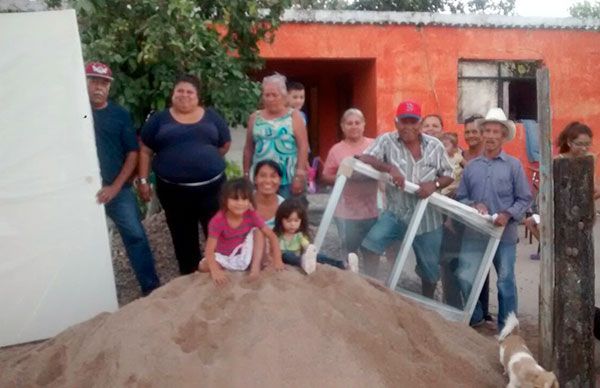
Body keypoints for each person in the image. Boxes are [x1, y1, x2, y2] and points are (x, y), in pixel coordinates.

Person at [357, 100, 454, 296]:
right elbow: (364, 158)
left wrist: (433, 185)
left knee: (429, 269)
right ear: (396, 122)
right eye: (404, 121)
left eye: (413, 121)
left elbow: (448, 174)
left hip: (428, 219)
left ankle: (426, 305)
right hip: (396, 213)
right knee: (370, 245)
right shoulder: (387, 141)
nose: (408, 126)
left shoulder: (435, 145)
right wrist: (390, 168)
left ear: (420, 123)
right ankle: (372, 291)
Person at [139, 74, 231, 275]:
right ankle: (189, 280)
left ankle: (220, 275)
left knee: (218, 234)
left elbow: (224, 144)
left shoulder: (212, 117)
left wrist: (203, 160)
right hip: (174, 193)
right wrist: (144, 180)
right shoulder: (159, 120)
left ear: (198, 96)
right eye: (180, 90)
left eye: (190, 91)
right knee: (183, 238)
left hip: (212, 190)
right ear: (172, 93)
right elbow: (145, 149)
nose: (184, 95)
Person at [86, 61, 160, 296]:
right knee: (80, 241)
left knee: (135, 235)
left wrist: (115, 187)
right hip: (81, 190)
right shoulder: (73, 114)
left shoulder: (119, 114)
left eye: (104, 83)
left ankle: (151, 289)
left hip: (118, 190)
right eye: (94, 81)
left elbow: (132, 153)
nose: (99, 88)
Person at [455, 108, 532, 331]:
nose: (490, 135)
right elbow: (461, 196)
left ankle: (507, 329)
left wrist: (507, 214)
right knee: (464, 276)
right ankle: (477, 316)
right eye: (486, 130)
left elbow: (524, 198)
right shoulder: (472, 168)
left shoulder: (514, 165)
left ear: (502, 136)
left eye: (495, 131)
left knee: (505, 282)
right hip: (475, 233)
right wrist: (473, 205)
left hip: (504, 236)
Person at [524, 121, 600, 246]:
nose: (584, 148)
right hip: (560, 209)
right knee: (532, 223)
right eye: (579, 144)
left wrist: (581, 202)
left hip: (582, 212)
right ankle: (550, 250)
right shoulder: (558, 161)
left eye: (587, 144)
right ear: (569, 143)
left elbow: (596, 188)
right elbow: (548, 189)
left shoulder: (590, 159)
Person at [198, 179, 283, 286]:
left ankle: (255, 269)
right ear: (225, 200)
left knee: (258, 231)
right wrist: (215, 271)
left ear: (250, 201)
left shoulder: (251, 214)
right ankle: (232, 268)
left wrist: (278, 258)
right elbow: (209, 250)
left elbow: (272, 235)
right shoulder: (217, 221)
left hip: (244, 253)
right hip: (225, 257)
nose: (240, 203)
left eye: (244, 199)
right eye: (235, 199)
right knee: (203, 266)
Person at [322, 108, 379, 259]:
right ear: (342, 126)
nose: (354, 126)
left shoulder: (375, 145)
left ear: (364, 125)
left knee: (371, 252)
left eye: (357, 123)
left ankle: (371, 281)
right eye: (349, 123)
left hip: (372, 209)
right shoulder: (336, 150)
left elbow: (385, 169)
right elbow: (326, 176)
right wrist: (345, 177)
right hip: (346, 211)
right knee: (349, 252)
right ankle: (349, 280)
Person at [243, 73, 309, 200]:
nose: (270, 98)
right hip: (262, 179)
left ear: (284, 96)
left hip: (288, 178)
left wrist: (299, 174)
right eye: (267, 95)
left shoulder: (294, 116)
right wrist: (246, 174)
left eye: (274, 95)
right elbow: (248, 148)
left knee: (290, 215)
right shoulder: (254, 117)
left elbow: (303, 146)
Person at [273, 199, 359, 274]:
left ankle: (343, 265)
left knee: (320, 256)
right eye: (289, 221)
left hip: (300, 257)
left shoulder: (299, 236)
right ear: (281, 220)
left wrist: (309, 249)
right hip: (286, 260)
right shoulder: (278, 236)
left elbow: (306, 245)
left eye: (296, 221)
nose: (292, 224)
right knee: (287, 255)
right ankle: (303, 262)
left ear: (301, 221)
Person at [253, 159, 285, 229]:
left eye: (273, 176)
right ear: (255, 179)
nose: (268, 181)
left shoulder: (285, 207)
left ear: (280, 180)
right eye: (263, 176)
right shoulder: (243, 201)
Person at [440, 132, 463, 198]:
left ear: (455, 148)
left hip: (454, 187)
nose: (443, 149)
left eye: (445, 146)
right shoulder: (440, 159)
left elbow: (468, 167)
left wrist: (464, 172)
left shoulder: (457, 157)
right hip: (443, 188)